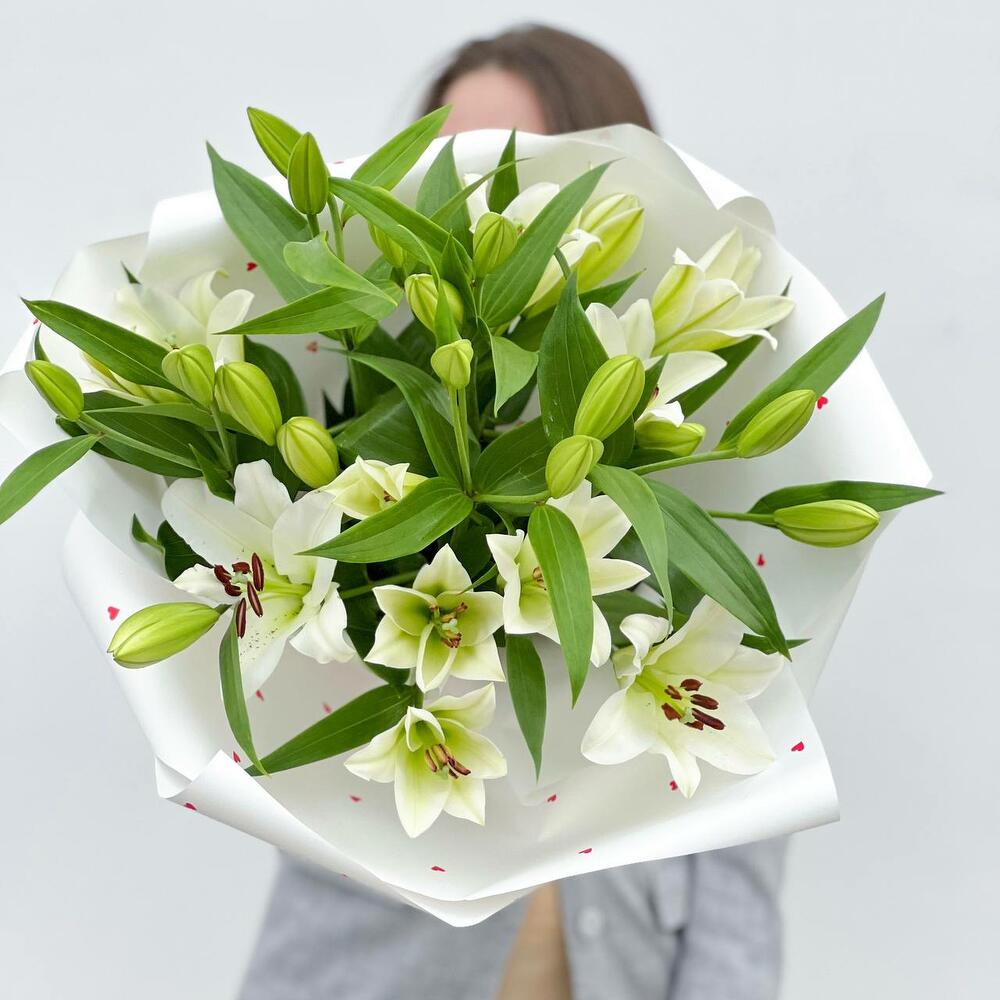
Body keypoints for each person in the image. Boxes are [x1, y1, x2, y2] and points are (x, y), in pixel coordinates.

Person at [239, 24, 787, 1000]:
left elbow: (742, 840)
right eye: (444, 180)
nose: (480, 218)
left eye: (525, 179)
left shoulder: (697, 473)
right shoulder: (330, 434)